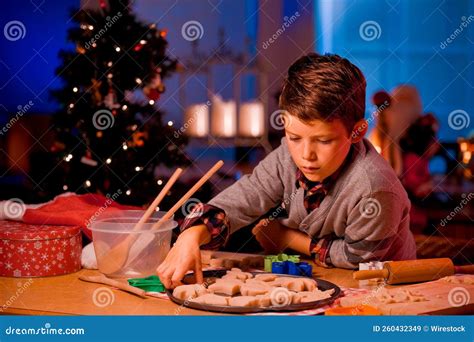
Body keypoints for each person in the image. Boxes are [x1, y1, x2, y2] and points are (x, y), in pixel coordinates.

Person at [157, 53, 416, 288]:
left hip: (384, 293)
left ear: (357, 132)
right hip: (323, 283)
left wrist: (288, 238)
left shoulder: (375, 187)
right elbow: (246, 196)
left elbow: (357, 258)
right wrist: (191, 235)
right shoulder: (287, 157)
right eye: (294, 137)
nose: (306, 155)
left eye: (324, 141)